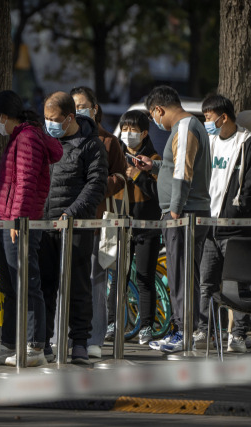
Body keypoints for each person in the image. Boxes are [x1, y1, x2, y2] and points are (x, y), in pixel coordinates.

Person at [0, 90, 63, 367]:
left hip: (19, 224)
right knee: (11, 285)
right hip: (7, 222)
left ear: (4, 115)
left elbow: (25, 183)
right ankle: (9, 344)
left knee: (27, 283)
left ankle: (36, 346)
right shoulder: (19, 138)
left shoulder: (27, 138)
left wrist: (17, 220)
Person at [133, 85, 211, 353]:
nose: (156, 122)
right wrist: (153, 166)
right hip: (187, 211)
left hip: (184, 214)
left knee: (181, 276)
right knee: (185, 274)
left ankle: (182, 331)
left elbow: (182, 173)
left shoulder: (185, 128)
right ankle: (186, 329)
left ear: (158, 109)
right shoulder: (189, 126)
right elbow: (174, 166)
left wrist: (175, 209)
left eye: (154, 116)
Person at [191, 95, 251, 353]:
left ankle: (238, 335)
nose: (206, 123)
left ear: (223, 117)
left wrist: (237, 210)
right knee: (206, 283)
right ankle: (205, 331)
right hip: (209, 227)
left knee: (237, 284)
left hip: (236, 228)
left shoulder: (248, 144)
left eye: (209, 118)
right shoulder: (208, 142)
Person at [39, 91, 108, 364]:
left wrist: (72, 213)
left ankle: (80, 342)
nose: (49, 124)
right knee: (45, 286)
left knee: (78, 286)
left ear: (69, 118)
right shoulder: (45, 143)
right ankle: (43, 341)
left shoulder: (92, 146)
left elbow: (95, 186)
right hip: (44, 225)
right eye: (46, 119)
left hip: (75, 226)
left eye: (54, 119)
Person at [70, 86, 127, 359]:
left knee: (95, 277)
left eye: (82, 106)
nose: (79, 111)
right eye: (74, 107)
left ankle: (94, 337)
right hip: (67, 219)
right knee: (65, 277)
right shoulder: (63, 140)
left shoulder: (108, 141)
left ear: (94, 109)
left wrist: (99, 187)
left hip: (97, 218)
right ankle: (64, 336)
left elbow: (121, 175)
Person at [106, 110, 162, 345]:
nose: (128, 134)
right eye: (125, 129)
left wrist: (139, 175)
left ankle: (146, 326)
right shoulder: (115, 154)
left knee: (145, 277)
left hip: (147, 227)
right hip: (120, 224)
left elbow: (159, 195)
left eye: (133, 130)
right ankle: (113, 322)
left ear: (145, 133)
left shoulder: (154, 158)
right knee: (119, 276)